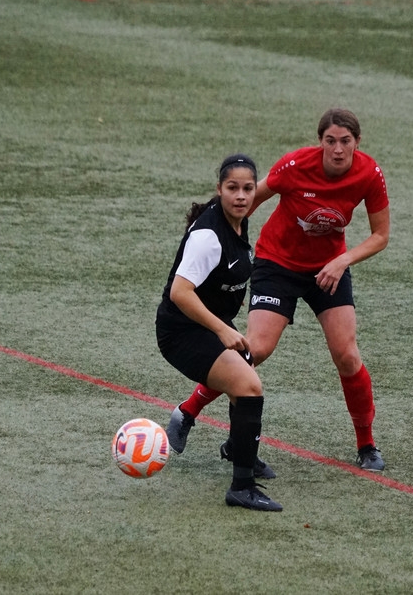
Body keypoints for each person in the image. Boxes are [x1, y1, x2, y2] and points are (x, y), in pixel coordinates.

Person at [167, 108, 390, 472]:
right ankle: (188, 412)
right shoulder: (295, 165)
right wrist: (226, 239)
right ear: (320, 141)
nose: (337, 149)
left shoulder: (369, 173)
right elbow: (249, 199)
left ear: (357, 142)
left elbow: (381, 235)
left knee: (347, 355)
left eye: (345, 141)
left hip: (329, 269)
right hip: (277, 264)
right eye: (330, 141)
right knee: (255, 350)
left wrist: (342, 260)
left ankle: (367, 445)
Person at [157, 154, 282, 512]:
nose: (241, 196)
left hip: (206, 325)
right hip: (181, 332)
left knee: (245, 375)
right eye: (232, 188)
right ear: (219, 189)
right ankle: (241, 488)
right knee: (248, 385)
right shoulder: (208, 237)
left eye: (248, 189)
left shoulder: (238, 221)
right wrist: (222, 329)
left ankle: (240, 451)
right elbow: (180, 293)